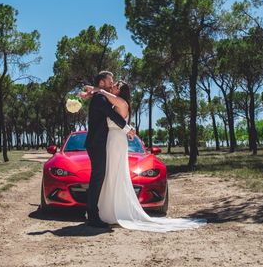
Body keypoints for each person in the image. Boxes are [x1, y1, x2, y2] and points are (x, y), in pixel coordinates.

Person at [85, 80, 206, 232]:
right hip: (111, 141)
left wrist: (96, 90)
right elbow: (105, 100)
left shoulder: (122, 103)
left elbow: (105, 97)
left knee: (114, 174)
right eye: (113, 84)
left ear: (121, 91)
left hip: (115, 143)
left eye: (116, 85)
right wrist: (93, 91)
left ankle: (113, 211)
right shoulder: (114, 102)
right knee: (109, 175)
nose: (112, 86)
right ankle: (105, 211)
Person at [83, 71, 135, 228]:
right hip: (98, 142)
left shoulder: (104, 96)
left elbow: (113, 113)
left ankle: (97, 212)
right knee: (98, 177)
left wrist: (91, 90)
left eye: (114, 83)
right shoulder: (100, 98)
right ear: (102, 83)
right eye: (110, 81)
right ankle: (93, 215)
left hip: (104, 142)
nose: (112, 84)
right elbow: (112, 114)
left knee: (101, 176)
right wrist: (127, 128)